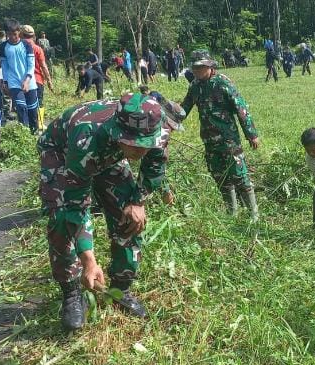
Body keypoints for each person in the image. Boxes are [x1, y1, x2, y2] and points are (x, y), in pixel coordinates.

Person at [38, 93, 174, 327]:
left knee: (130, 217)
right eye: (132, 143)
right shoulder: (86, 139)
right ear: (117, 132)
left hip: (110, 152)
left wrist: (138, 201)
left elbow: (155, 164)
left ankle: (121, 288)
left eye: (145, 144)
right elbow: (76, 206)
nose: (139, 151)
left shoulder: (156, 128)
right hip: (62, 152)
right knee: (61, 217)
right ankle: (72, 291)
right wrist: (88, 260)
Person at [182, 51, 261, 218]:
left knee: (239, 175)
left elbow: (241, 109)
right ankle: (232, 213)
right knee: (220, 177)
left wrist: (251, 134)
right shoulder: (195, 86)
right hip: (209, 141)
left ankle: (254, 215)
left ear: (210, 66)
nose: (196, 70)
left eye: (200, 67)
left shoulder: (222, 83)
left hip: (228, 139)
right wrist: (168, 123)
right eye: (194, 67)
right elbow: (185, 108)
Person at [0, 19, 39, 132]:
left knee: (32, 110)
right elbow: (5, 66)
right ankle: (24, 133)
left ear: (19, 32)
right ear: (6, 33)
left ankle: (34, 133)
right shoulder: (3, 46)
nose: (12, 37)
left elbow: (31, 65)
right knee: (21, 108)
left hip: (29, 81)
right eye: (9, 34)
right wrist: (5, 82)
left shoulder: (26, 45)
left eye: (15, 34)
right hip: (14, 82)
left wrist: (27, 80)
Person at [21, 25, 54, 129]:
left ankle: (25, 124)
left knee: (24, 102)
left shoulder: (19, 47)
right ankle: (39, 123)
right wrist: (49, 81)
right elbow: (43, 66)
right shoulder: (37, 49)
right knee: (38, 102)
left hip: (23, 80)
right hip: (37, 79)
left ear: (21, 34)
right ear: (34, 36)